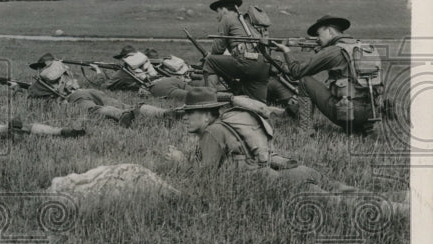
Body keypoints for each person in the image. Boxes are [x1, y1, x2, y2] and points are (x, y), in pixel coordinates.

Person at [164, 88, 407, 216]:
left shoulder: (212, 132)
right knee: (343, 190)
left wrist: (179, 163)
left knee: (339, 204)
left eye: (189, 113)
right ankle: (402, 197)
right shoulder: (233, 119)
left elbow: (206, 178)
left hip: (277, 181)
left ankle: (400, 211)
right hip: (292, 168)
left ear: (207, 113)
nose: (184, 118)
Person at [273, 15, 383, 135]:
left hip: (348, 113)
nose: (317, 39)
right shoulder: (363, 47)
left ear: (329, 30)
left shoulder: (334, 50)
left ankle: (305, 129)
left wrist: (287, 51)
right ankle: (362, 128)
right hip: (372, 112)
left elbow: (296, 72)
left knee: (305, 81)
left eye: (318, 34)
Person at [27, 54, 139, 125]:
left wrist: (17, 88)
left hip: (75, 97)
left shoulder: (43, 80)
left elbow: (32, 96)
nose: (38, 70)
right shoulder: (64, 70)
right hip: (88, 91)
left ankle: (120, 115)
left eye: (39, 67)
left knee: (93, 109)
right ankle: (150, 111)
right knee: (123, 105)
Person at [202, 0, 271, 102]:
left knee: (210, 62)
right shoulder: (247, 22)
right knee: (258, 104)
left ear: (224, 9)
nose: (217, 16)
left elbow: (217, 49)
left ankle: (208, 100)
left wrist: (209, 55)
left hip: (246, 61)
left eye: (217, 11)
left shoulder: (226, 18)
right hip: (263, 65)